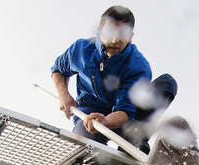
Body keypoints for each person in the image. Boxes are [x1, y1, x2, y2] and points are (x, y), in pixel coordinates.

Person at [50, 5, 177, 154]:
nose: (116, 39)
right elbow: (58, 69)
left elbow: (124, 110)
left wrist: (106, 121)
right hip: (89, 118)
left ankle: (136, 139)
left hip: (125, 120)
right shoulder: (81, 49)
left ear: (130, 36)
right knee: (85, 148)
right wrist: (63, 95)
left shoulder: (138, 66)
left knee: (167, 83)